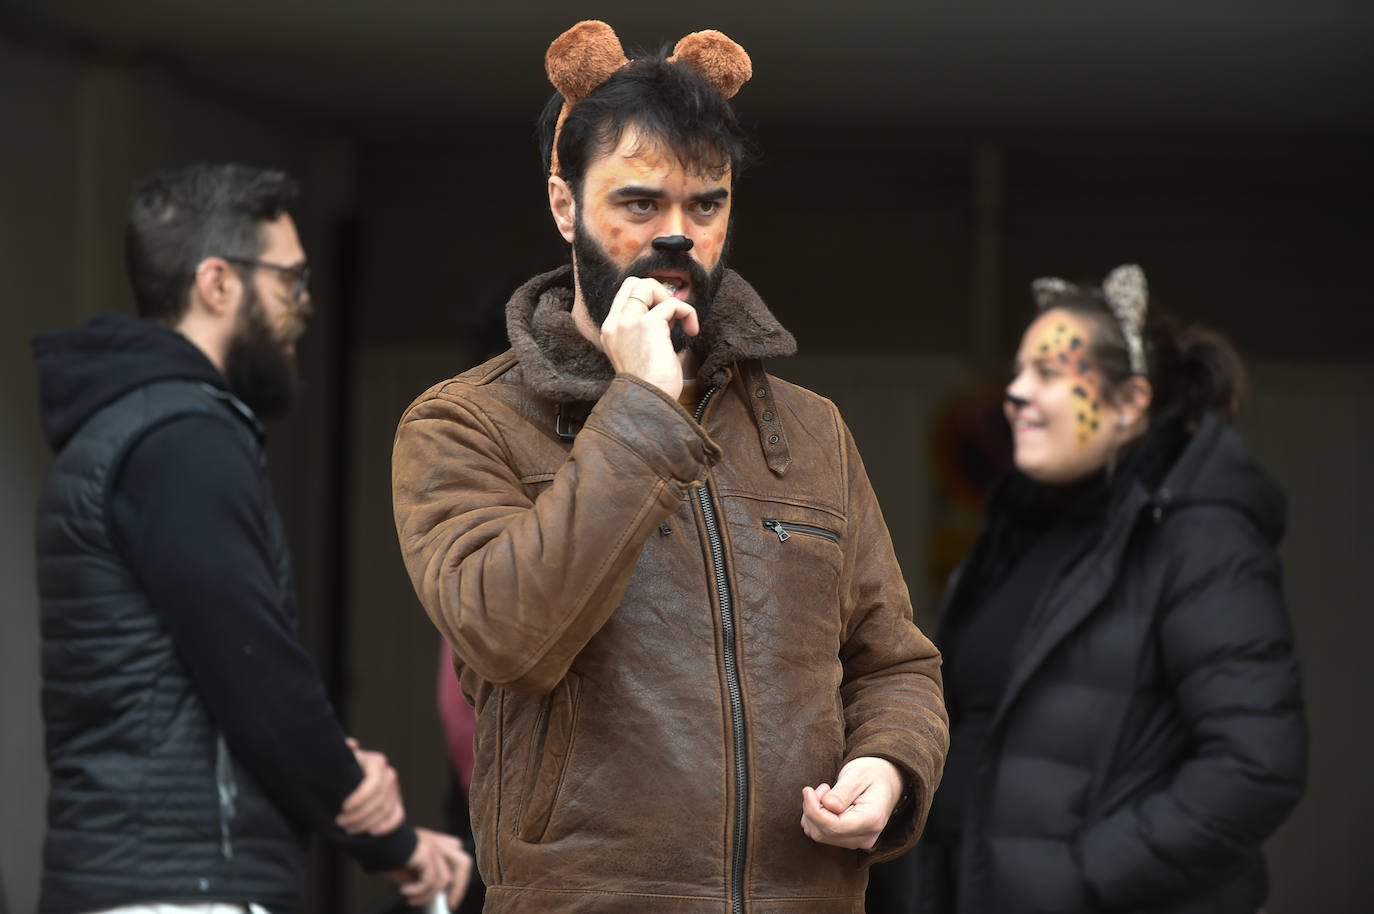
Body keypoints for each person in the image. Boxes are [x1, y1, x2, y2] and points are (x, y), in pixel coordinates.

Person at [390, 19, 950, 914]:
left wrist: (888, 766)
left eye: (707, 205)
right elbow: (508, 640)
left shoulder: (811, 430)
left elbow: (894, 664)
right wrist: (642, 408)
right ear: (565, 204)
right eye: (640, 205)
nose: (678, 237)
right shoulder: (463, 423)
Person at [33, 163, 470, 914]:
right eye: (291, 282)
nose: (304, 307)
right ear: (218, 283)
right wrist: (390, 837)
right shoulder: (183, 441)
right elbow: (256, 675)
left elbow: (207, 685)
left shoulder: (132, 426)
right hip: (181, 891)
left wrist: (339, 772)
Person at [876, 265, 1307, 914]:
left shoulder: (1200, 537)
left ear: (1130, 403)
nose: (1014, 393)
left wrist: (1079, 881)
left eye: (1047, 374)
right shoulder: (1019, 528)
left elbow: (1257, 765)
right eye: (1018, 372)